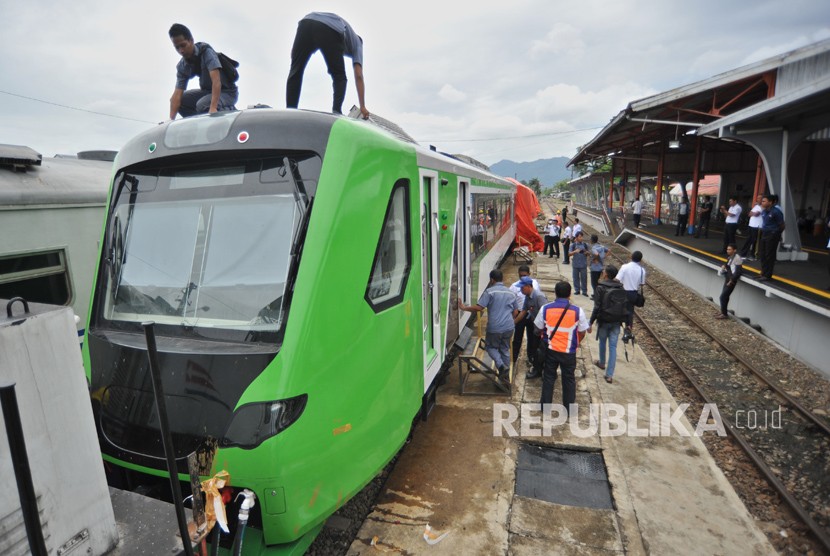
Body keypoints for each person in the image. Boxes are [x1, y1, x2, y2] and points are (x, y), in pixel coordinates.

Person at [286, 12, 369, 118]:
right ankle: (336, 112)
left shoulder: (347, 36)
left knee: (295, 70)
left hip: (306, 22)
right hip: (330, 28)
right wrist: (362, 106)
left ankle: (290, 111)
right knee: (339, 76)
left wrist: (297, 54)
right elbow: (358, 76)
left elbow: (297, 51)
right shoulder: (358, 44)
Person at [534, 281, 590, 415]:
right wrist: (575, 343)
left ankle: (545, 407)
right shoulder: (578, 311)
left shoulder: (546, 309)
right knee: (569, 379)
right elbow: (582, 332)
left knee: (549, 378)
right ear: (569, 294)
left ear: (555, 293)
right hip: (568, 352)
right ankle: (569, 409)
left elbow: (538, 328)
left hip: (551, 350)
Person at [458, 269, 519, 383]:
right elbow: (515, 312)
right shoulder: (511, 293)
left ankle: (501, 367)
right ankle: (505, 378)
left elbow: (479, 308)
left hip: (495, 327)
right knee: (505, 348)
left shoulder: (490, 292)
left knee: (490, 347)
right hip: (509, 326)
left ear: (492, 280)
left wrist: (463, 307)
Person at [168, 24, 238, 119]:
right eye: (177, 48)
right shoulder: (182, 66)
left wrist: (213, 108)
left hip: (227, 92)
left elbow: (216, 81)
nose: (181, 51)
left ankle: (228, 111)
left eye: (183, 45)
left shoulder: (206, 52)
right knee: (181, 101)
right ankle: (198, 123)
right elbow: (177, 95)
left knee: (203, 104)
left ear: (191, 40)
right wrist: (171, 120)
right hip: (207, 93)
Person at [589, 265, 625, 383]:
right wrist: (628, 324)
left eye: (604, 271)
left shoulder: (601, 287)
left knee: (603, 342)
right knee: (613, 347)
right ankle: (609, 375)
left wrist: (590, 322)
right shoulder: (621, 287)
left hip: (604, 320)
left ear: (606, 274)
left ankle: (602, 362)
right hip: (616, 321)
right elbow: (627, 307)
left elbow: (597, 307)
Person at [514, 277, 548, 379]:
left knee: (542, 351)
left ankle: (543, 371)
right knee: (534, 349)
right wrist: (513, 323)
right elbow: (523, 312)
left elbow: (546, 313)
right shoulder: (528, 297)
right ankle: (537, 369)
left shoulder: (539, 296)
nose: (520, 290)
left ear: (529, 286)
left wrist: (543, 330)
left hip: (543, 329)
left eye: (522, 288)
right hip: (536, 329)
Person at [509, 266, 541, 366]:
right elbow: (510, 301)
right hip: (520, 314)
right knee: (518, 337)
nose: (522, 278)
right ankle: (513, 358)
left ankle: (531, 357)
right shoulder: (514, 286)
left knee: (532, 337)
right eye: (520, 276)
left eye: (525, 276)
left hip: (531, 315)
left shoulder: (534, 284)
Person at [616, 251, 646, 341]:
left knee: (619, 310)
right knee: (630, 313)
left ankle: (617, 329)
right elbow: (642, 283)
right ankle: (628, 332)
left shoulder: (624, 267)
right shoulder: (642, 270)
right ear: (640, 260)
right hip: (633, 294)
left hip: (623, 292)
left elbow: (618, 279)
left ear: (631, 256)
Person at [757, 194, 785, 282]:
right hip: (764, 233)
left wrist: (776, 234)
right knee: (762, 254)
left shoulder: (776, 212)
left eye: (764, 201)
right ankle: (763, 272)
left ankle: (767, 275)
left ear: (770, 202)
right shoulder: (764, 211)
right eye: (762, 201)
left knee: (769, 255)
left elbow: (782, 225)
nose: (762, 202)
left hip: (772, 234)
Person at [717, 244, 743, 319]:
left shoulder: (737, 258)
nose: (728, 251)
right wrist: (724, 266)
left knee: (722, 297)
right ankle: (723, 312)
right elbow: (728, 265)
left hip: (731, 280)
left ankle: (724, 314)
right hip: (727, 278)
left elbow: (738, 272)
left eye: (729, 249)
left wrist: (731, 280)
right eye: (727, 249)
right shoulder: (730, 257)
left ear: (734, 250)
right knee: (725, 296)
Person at [740, 195, 763, 261]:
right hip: (751, 225)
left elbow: (756, 214)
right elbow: (749, 214)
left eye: (760, 198)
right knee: (749, 240)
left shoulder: (761, 207)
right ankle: (743, 254)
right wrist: (753, 213)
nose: (758, 199)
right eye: (757, 198)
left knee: (755, 242)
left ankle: (754, 255)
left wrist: (753, 213)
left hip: (757, 226)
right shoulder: (756, 206)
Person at [569, 231, 589, 297]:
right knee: (575, 278)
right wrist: (575, 251)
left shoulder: (585, 245)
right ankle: (577, 290)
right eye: (580, 237)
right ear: (576, 238)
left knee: (584, 278)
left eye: (582, 237)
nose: (581, 238)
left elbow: (589, 253)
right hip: (575, 264)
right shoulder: (573, 245)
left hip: (583, 264)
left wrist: (586, 253)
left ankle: (584, 291)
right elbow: (569, 254)